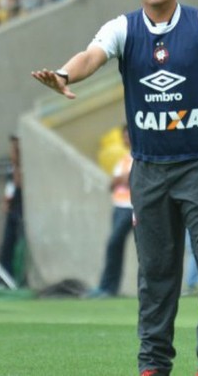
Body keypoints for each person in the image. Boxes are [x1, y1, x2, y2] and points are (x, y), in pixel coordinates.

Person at [31, 0, 198, 374]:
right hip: (149, 170)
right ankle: (153, 366)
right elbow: (91, 57)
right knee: (156, 276)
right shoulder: (122, 28)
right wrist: (64, 75)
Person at [89, 125, 134, 298]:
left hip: (135, 207)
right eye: (124, 136)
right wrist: (121, 179)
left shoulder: (141, 156)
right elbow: (112, 184)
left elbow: (133, 179)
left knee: (143, 249)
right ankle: (107, 288)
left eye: (128, 135)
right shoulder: (123, 160)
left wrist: (123, 179)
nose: (126, 139)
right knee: (114, 246)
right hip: (120, 207)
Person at [0, 135, 24, 280]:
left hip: (21, 211)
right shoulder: (11, 167)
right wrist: (5, 201)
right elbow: (10, 187)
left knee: (21, 246)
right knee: (7, 245)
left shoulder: (22, 168)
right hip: (12, 210)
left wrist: (17, 165)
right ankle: (6, 277)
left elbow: (19, 183)